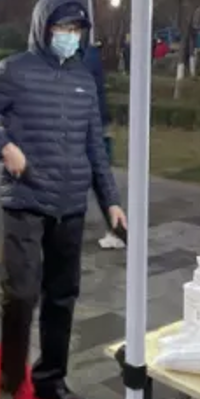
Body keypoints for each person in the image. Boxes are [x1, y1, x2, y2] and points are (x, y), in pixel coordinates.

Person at [0, 0, 126, 399]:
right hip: (26, 202)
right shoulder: (14, 71)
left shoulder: (84, 79)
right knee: (21, 294)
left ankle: (51, 378)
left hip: (70, 206)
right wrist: (3, 147)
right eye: (62, 28)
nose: (70, 36)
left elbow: (95, 146)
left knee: (62, 296)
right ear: (43, 28)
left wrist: (111, 201)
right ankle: (9, 383)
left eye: (77, 30)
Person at [85, 38, 124, 250]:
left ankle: (117, 229)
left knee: (99, 177)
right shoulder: (91, 54)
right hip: (98, 120)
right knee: (101, 178)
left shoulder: (80, 58)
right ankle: (117, 228)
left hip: (89, 124)